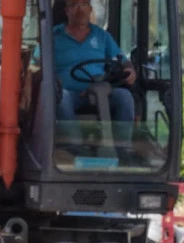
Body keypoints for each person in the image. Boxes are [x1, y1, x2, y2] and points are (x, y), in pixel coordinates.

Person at [53, 0, 136, 147]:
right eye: (74, 5)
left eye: (84, 4)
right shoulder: (53, 36)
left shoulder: (102, 36)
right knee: (60, 98)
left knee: (125, 97)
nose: (80, 9)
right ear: (67, 10)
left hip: (99, 91)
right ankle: (75, 149)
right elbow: (36, 64)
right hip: (67, 92)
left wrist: (129, 70)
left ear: (90, 9)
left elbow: (122, 60)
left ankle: (122, 152)